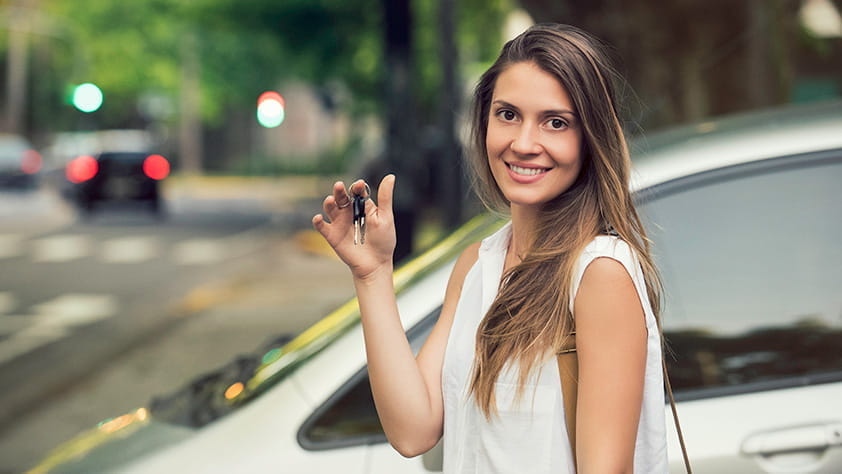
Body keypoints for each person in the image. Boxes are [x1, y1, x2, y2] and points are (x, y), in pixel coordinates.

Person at [313, 23, 668, 474]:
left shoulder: (599, 273)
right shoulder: (478, 265)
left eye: (555, 123)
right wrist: (373, 274)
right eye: (508, 115)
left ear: (589, 140)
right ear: (483, 122)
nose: (523, 143)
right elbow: (413, 430)